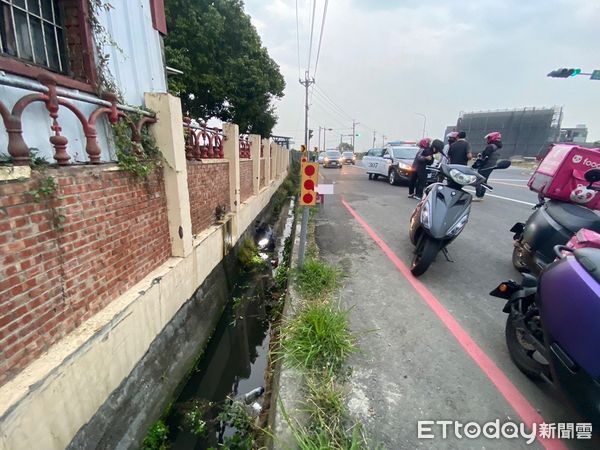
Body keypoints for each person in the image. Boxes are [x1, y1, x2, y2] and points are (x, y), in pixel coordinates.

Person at [473, 131, 502, 201]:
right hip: (491, 165)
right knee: (484, 180)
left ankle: (478, 195)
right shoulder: (498, 147)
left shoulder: (491, 146)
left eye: (489, 138)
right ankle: (481, 195)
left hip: (485, 166)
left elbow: (484, 157)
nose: (487, 139)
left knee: (479, 180)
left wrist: (477, 164)